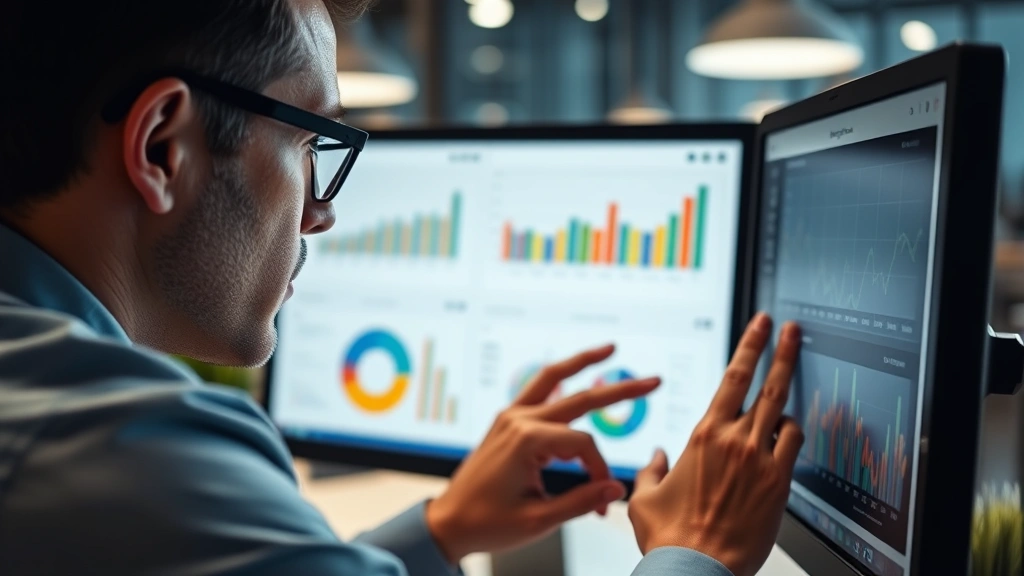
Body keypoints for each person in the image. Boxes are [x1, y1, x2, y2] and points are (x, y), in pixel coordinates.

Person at [0, 1, 805, 575]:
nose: (320, 215)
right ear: (164, 149)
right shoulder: (129, 452)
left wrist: (445, 527)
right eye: (312, 143)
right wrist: (692, 555)